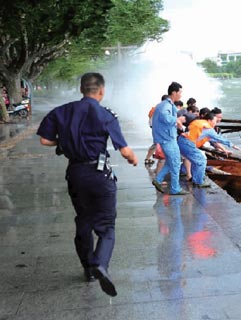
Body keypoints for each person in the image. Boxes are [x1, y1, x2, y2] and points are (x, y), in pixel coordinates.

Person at [36, 72, 138, 297]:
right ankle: (101, 264)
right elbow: (124, 150)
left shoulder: (61, 111)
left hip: (75, 173)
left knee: (84, 220)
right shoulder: (106, 114)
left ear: (82, 89)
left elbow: (44, 139)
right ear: (101, 91)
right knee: (107, 226)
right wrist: (133, 159)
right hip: (100, 175)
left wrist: (63, 142)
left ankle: (88, 269)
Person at [178, 112, 241, 188]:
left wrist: (224, 149)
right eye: (215, 121)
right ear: (209, 120)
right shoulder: (209, 129)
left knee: (196, 161)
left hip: (182, 141)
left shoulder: (200, 123)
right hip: (187, 144)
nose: (216, 123)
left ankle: (195, 179)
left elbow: (213, 141)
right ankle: (198, 182)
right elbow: (219, 139)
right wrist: (232, 145)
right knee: (201, 161)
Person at [151, 82, 189, 195]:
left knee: (171, 162)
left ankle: (158, 180)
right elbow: (165, 118)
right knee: (176, 162)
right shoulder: (165, 105)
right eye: (180, 92)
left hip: (167, 137)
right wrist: (178, 120)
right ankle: (175, 188)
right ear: (174, 92)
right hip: (167, 139)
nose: (181, 95)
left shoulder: (166, 104)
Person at [145, 94, 168, 165]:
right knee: (157, 144)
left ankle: (148, 158)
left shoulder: (157, 107)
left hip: (155, 128)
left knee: (157, 144)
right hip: (158, 129)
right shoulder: (161, 108)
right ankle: (149, 158)